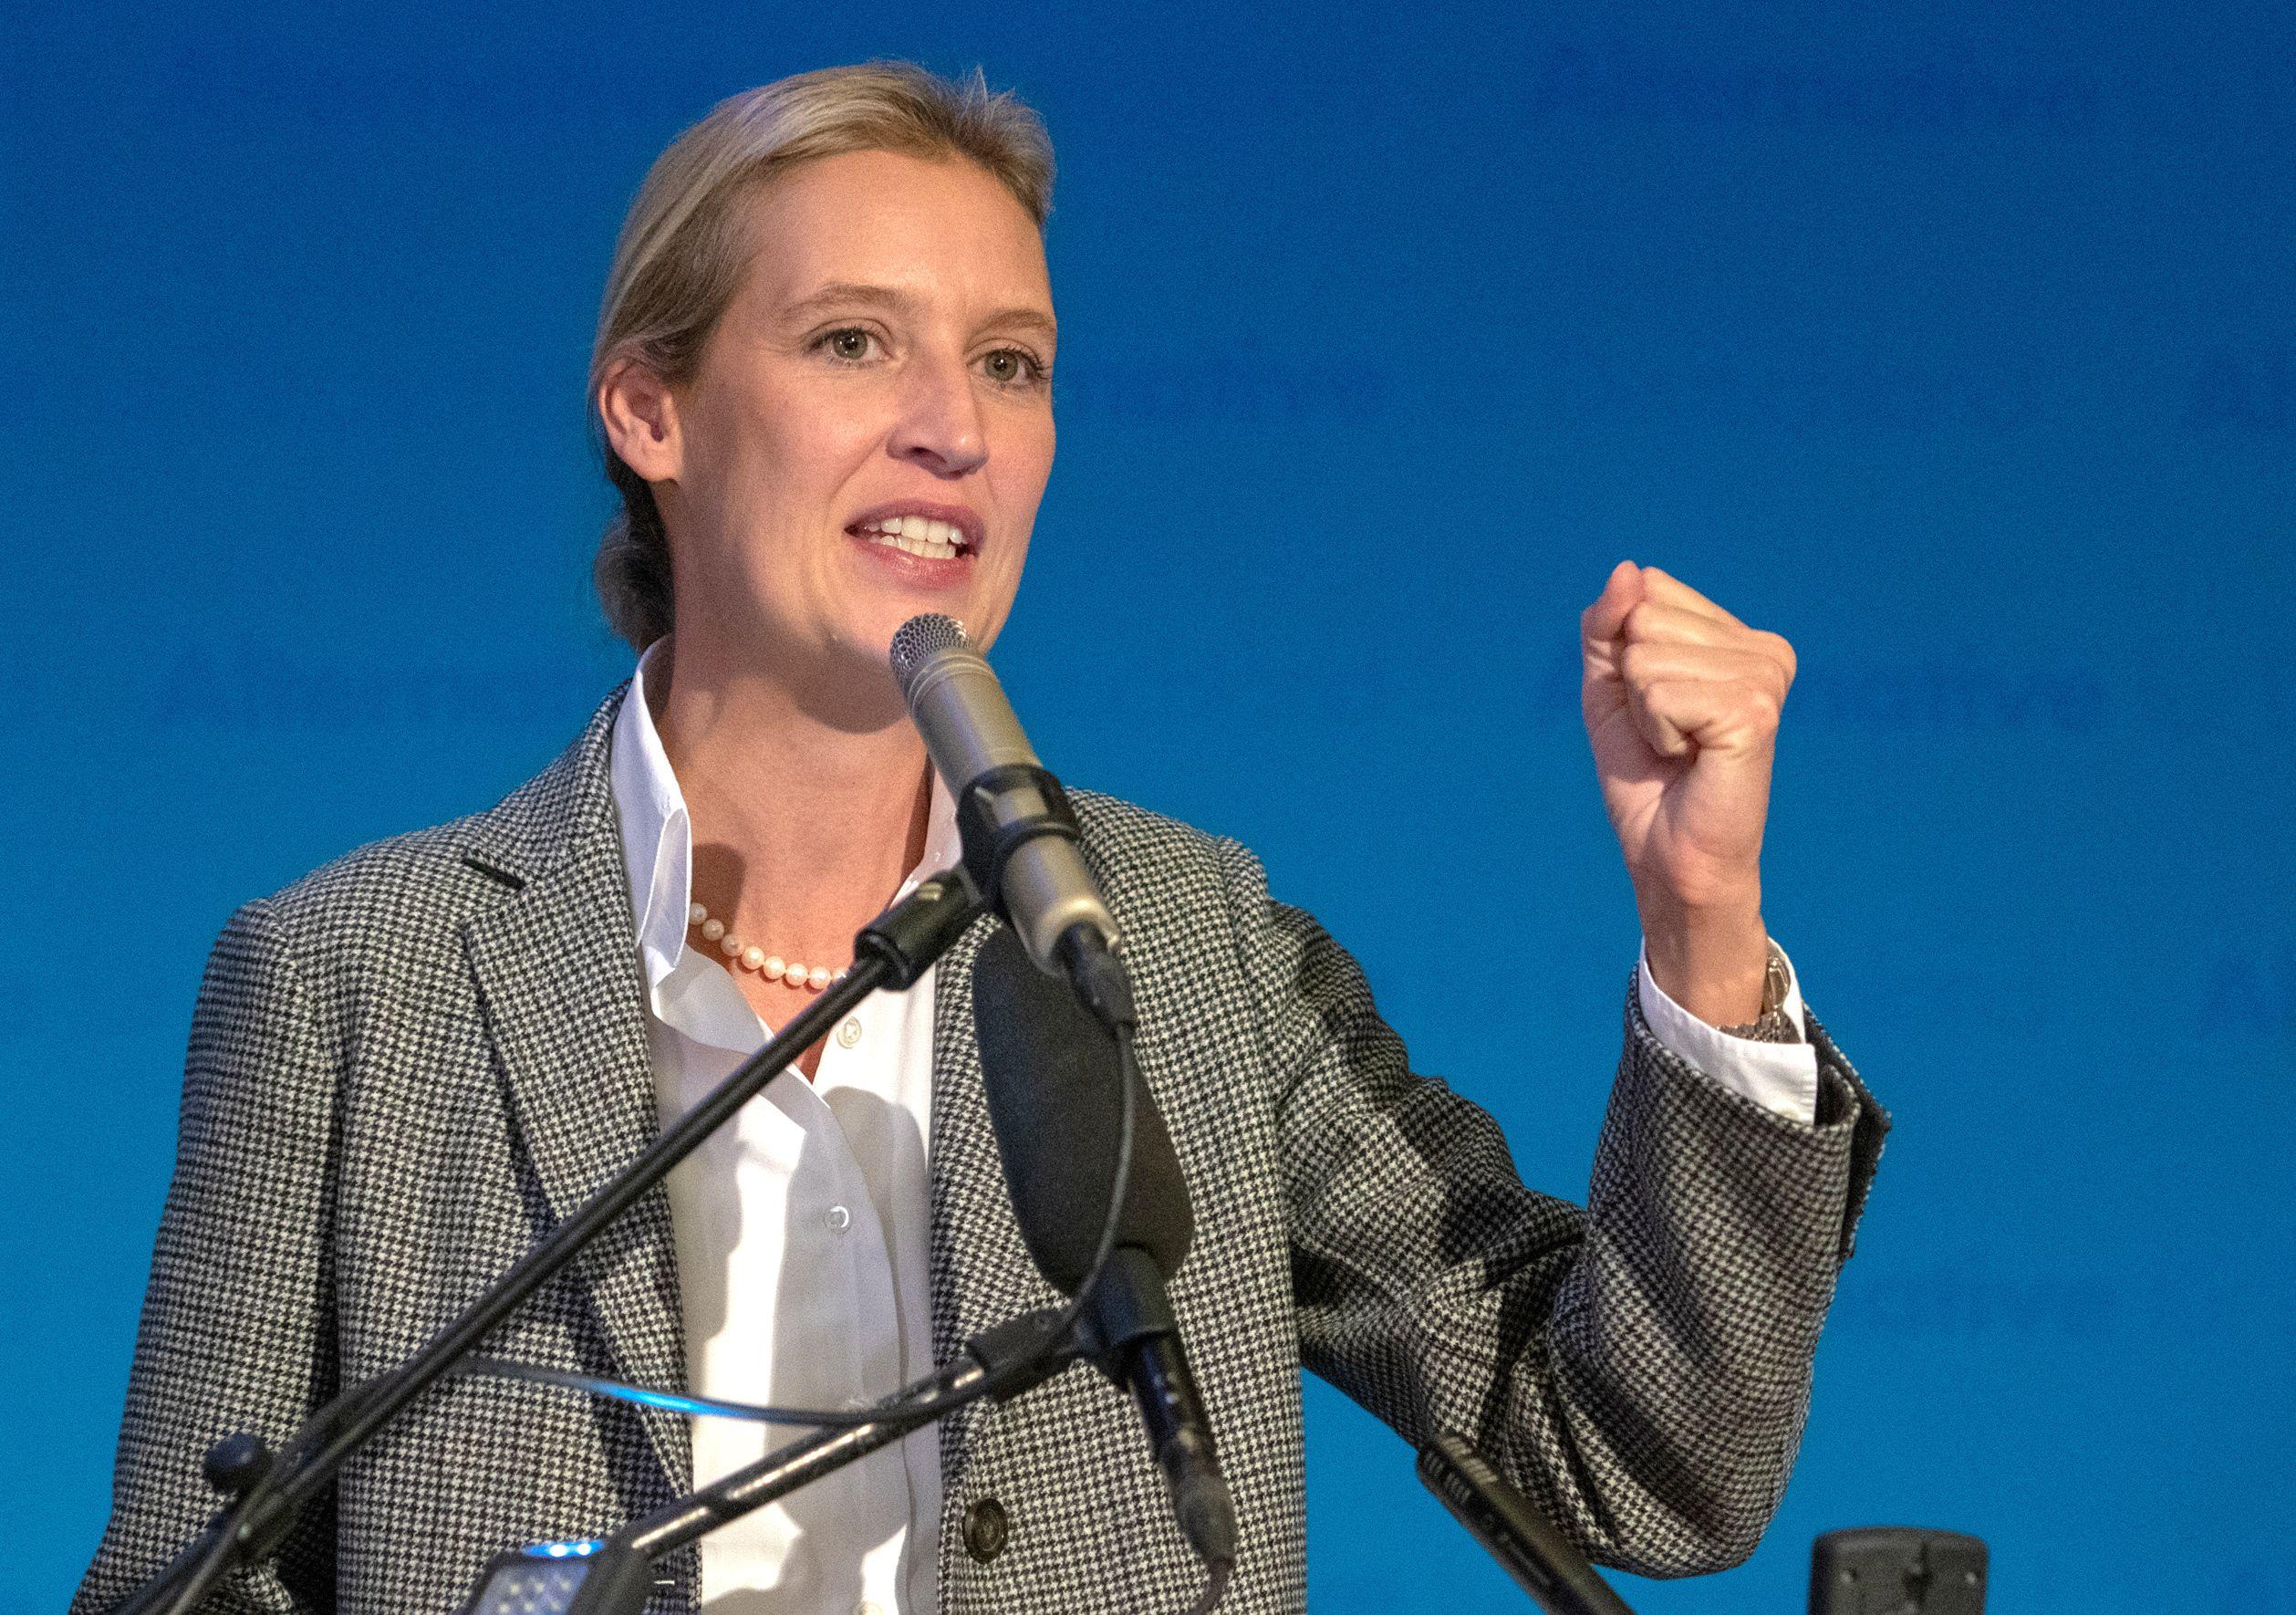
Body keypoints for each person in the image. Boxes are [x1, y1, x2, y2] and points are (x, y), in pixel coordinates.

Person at [73, 61, 1887, 1615]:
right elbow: (185, 1584)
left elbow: (1639, 1469)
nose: (952, 430)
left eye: (1010, 364)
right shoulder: (353, 978)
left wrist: (1696, 921)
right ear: (651, 409)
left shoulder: (1178, 945)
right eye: (852, 341)